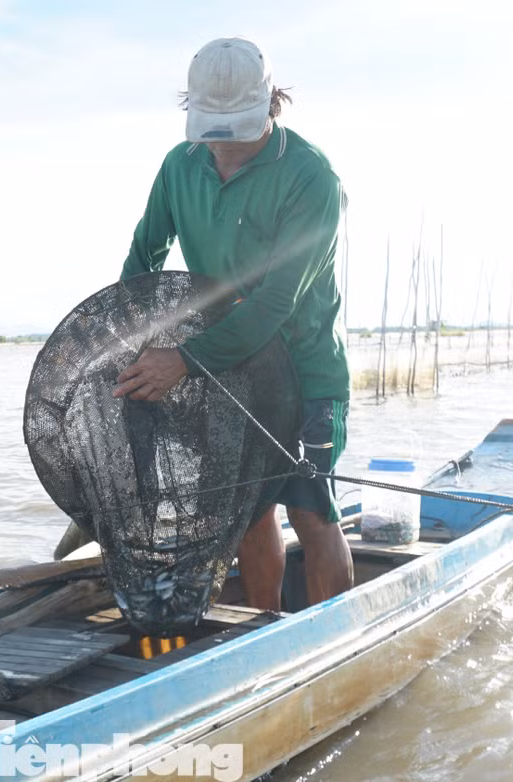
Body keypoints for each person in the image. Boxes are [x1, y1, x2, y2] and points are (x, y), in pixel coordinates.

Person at [112, 37, 353, 611]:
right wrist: (126, 337)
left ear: (271, 104)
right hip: (229, 369)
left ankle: (338, 632)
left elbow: (274, 305)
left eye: (237, 130)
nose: (224, 145)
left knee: (310, 510)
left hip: (306, 369)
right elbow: (143, 260)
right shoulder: (180, 166)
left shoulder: (312, 177)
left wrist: (182, 360)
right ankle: (263, 627)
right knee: (247, 512)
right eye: (212, 131)